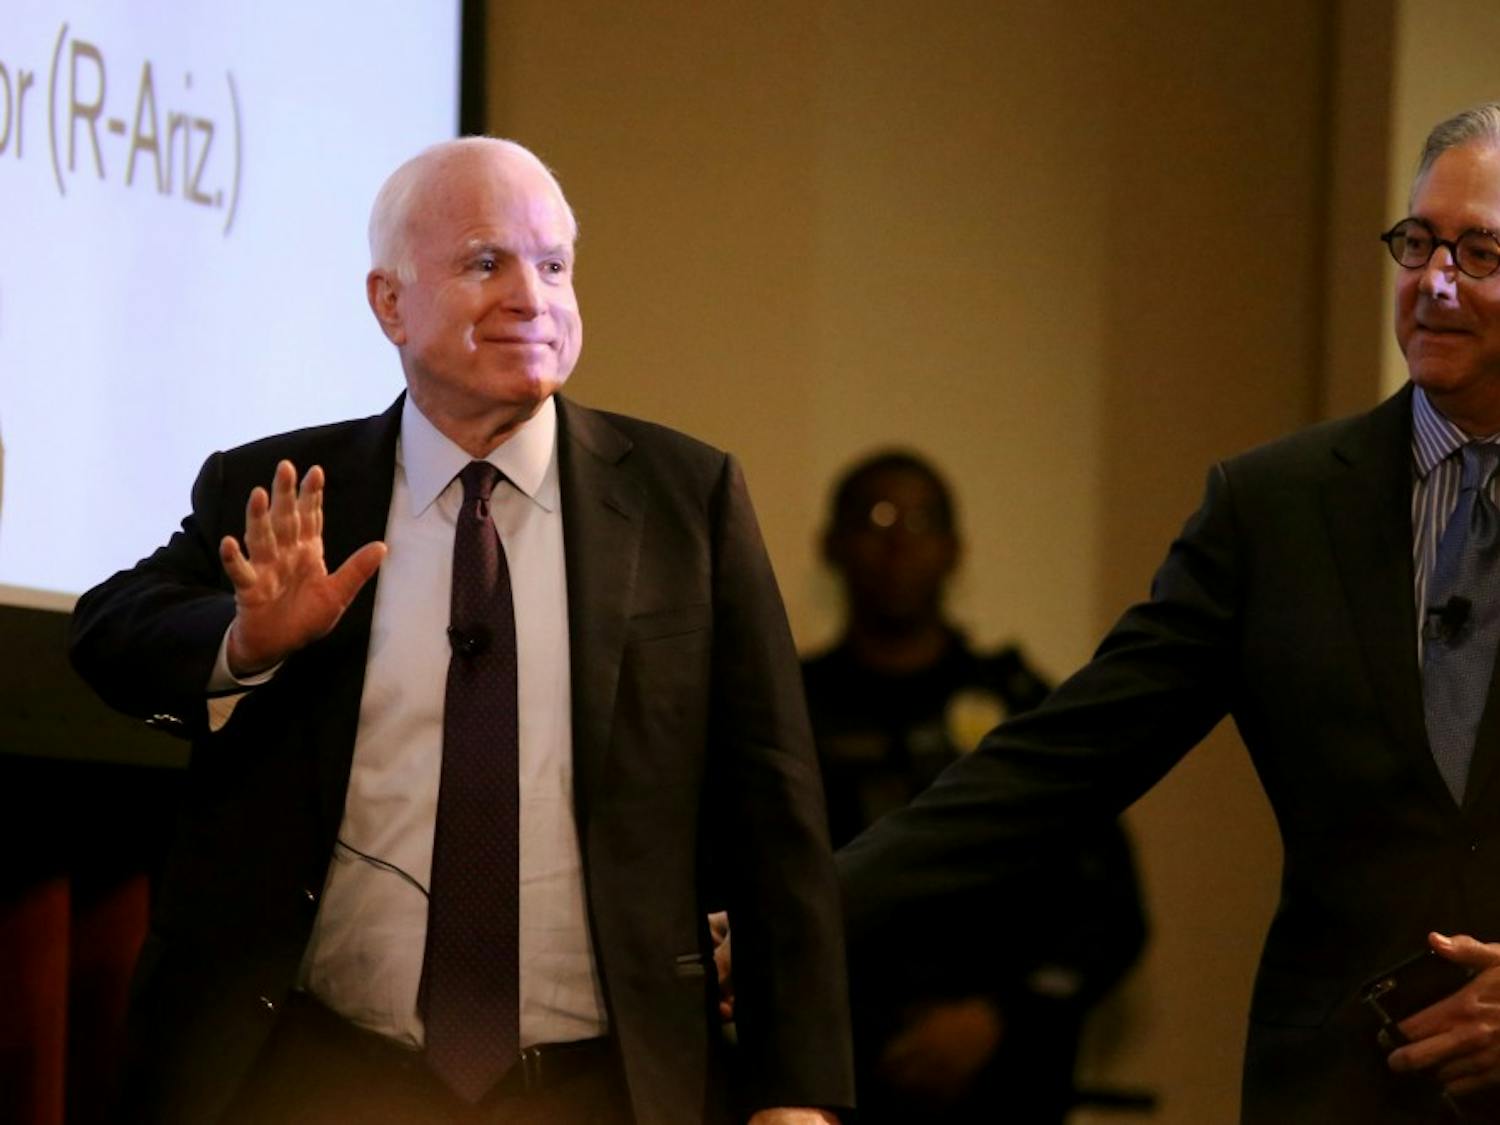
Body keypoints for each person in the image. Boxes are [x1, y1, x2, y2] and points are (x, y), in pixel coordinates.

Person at [67, 137, 852, 1125]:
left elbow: (775, 813)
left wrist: (795, 1094)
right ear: (390, 302)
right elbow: (108, 630)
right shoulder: (287, 491)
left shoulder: (685, 500)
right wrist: (246, 642)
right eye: (487, 263)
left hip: (604, 1090)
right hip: (318, 1078)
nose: (532, 297)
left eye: (554, 265)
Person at [834, 102, 1500, 1124]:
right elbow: (1058, 764)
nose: (1436, 281)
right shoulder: (1278, 509)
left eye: (1480, 253)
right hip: (1337, 1088)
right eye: (1418, 243)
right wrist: (809, 914)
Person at [804, 450, 1145, 1124]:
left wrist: (999, 1016)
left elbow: (1110, 910)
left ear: (955, 549)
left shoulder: (1021, 707)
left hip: (1006, 1083)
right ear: (832, 545)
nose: (898, 542)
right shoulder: (789, 708)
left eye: (921, 521)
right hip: (835, 1080)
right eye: (876, 518)